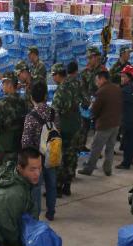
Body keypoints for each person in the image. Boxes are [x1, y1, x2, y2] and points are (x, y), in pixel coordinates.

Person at [22, 81, 57, 221]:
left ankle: (35, 217)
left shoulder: (31, 116)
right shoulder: (54, 113)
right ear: (45, 96)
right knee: (51, 184)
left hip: (36, 157)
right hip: (52, 154)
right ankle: (51, 212)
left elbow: (25, 141)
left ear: (31, 98)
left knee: (36, 187)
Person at [78, 69, 122, 177]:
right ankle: (108, 169)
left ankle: (89, 168)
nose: (96, 82)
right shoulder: (117, 89)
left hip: (104, 125)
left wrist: (90, 114)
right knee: (110, 148)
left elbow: (94, 110)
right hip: (116, 124)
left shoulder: (101, 92)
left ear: (102, 79)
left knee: (96, 147)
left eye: (97, 80)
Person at [52, 62, 81, 197]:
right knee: (72, 155)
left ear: (58, 75)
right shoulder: (75, 84)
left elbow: (55, 112)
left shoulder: (60, 90)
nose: (53, 78)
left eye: (53, 75)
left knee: (59, 157)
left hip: (63, 126)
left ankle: (57, 187)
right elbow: (85, 100)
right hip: (75, 124)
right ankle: (67, 185)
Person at [0, 73, 28, 162]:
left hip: (5, 147)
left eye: (4, 83)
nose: (2, 86)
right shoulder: (23, 102)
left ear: (10, 84)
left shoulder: (1, 103)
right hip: (19, 146)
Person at [79, 47, 105, 150]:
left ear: (97, 57)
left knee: (98, 128)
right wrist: (88, 99)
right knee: (84, 127)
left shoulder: (103, 71)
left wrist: (96, 99)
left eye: (91, 58)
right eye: (88, 58)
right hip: (87, 104)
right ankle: (81, 146)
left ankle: (96, 150)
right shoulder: (85, 72)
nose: (89, 60)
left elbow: (105, 87)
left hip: (99, 103)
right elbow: (82, 88)